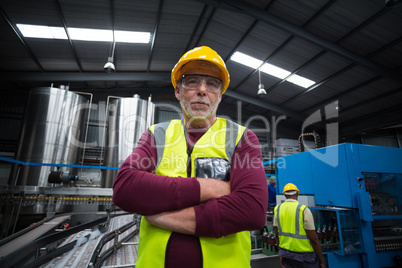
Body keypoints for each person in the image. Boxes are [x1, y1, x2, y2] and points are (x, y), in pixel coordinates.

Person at [113, 46, 268, 268]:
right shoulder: (157, 134)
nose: (202, 90)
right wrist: (211, 188)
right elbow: (125, 188)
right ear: (178, 91)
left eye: (212, 83)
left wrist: (161, 216)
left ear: (220, 95)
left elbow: (251, 210)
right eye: (192, 81)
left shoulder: (242, 138)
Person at [273, 183, 326, 268]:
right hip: (304, 258)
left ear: (284, 195)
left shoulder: (277, 209)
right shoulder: (303, 209)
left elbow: (276, 235)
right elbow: (313, 239)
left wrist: (281, 255)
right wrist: (322, 261)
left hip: (287, 256)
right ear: (297, 194)